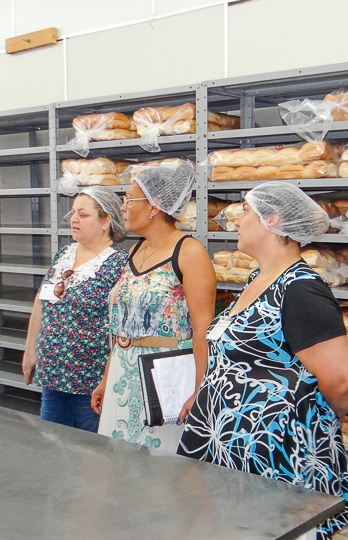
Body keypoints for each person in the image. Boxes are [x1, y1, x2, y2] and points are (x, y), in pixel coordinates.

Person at [178, 182, 348, 539]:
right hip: (233, 453)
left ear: (272, 220)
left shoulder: (301, 288)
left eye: (246, 211)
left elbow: (343, 380)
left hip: (275, 458)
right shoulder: (257, 279)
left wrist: (310, 415)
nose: (237, 219)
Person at [91, 161, 216, 451]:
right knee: (119, 464)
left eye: (128, 200)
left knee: (160, 467)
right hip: (124, 373)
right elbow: (122, 325)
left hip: (164, 376)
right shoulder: (136, 250)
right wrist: (107, 380)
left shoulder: (189, 252)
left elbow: (202, 329)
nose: (122, 207)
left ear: (154, 207)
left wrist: (200, 390)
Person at [22, 187, 128, 432]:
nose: (74, 219)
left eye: (83, 214)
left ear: (106, 222)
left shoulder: (119, 264)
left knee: (92, 454)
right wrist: (30, 350)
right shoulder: (64, 256)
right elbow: (41, 301)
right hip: (53, 374)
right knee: (53, 445)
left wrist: (106, 378)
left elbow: (122, 326)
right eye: (73, 214)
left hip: (90, 381)